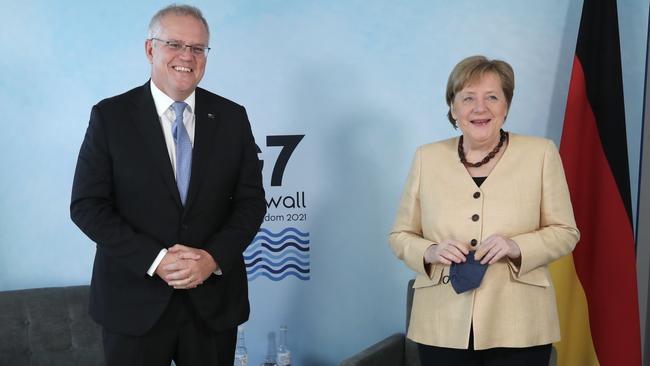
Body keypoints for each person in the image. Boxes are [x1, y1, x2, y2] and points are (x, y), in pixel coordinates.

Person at [70, 4, 266, 366]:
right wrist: (156, 260)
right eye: (175, 44)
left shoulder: (232, 117)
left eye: (197, 48)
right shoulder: (110, 117)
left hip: (211, 306)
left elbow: (251, 203)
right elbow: (87, 205)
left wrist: (211, 259)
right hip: (133, 305)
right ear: (150, 49)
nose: (186, 57)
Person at [389, 55, 580, 366]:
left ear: (506, 106)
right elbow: (400, 235)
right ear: (453, 108)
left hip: (520, 321)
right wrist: (431, 250)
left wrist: (516, 245)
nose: (480, 108)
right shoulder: (427, 157)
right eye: (468, 98)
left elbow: (566, 232)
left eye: (492, 97)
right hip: (441, 322)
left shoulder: (541, 153)